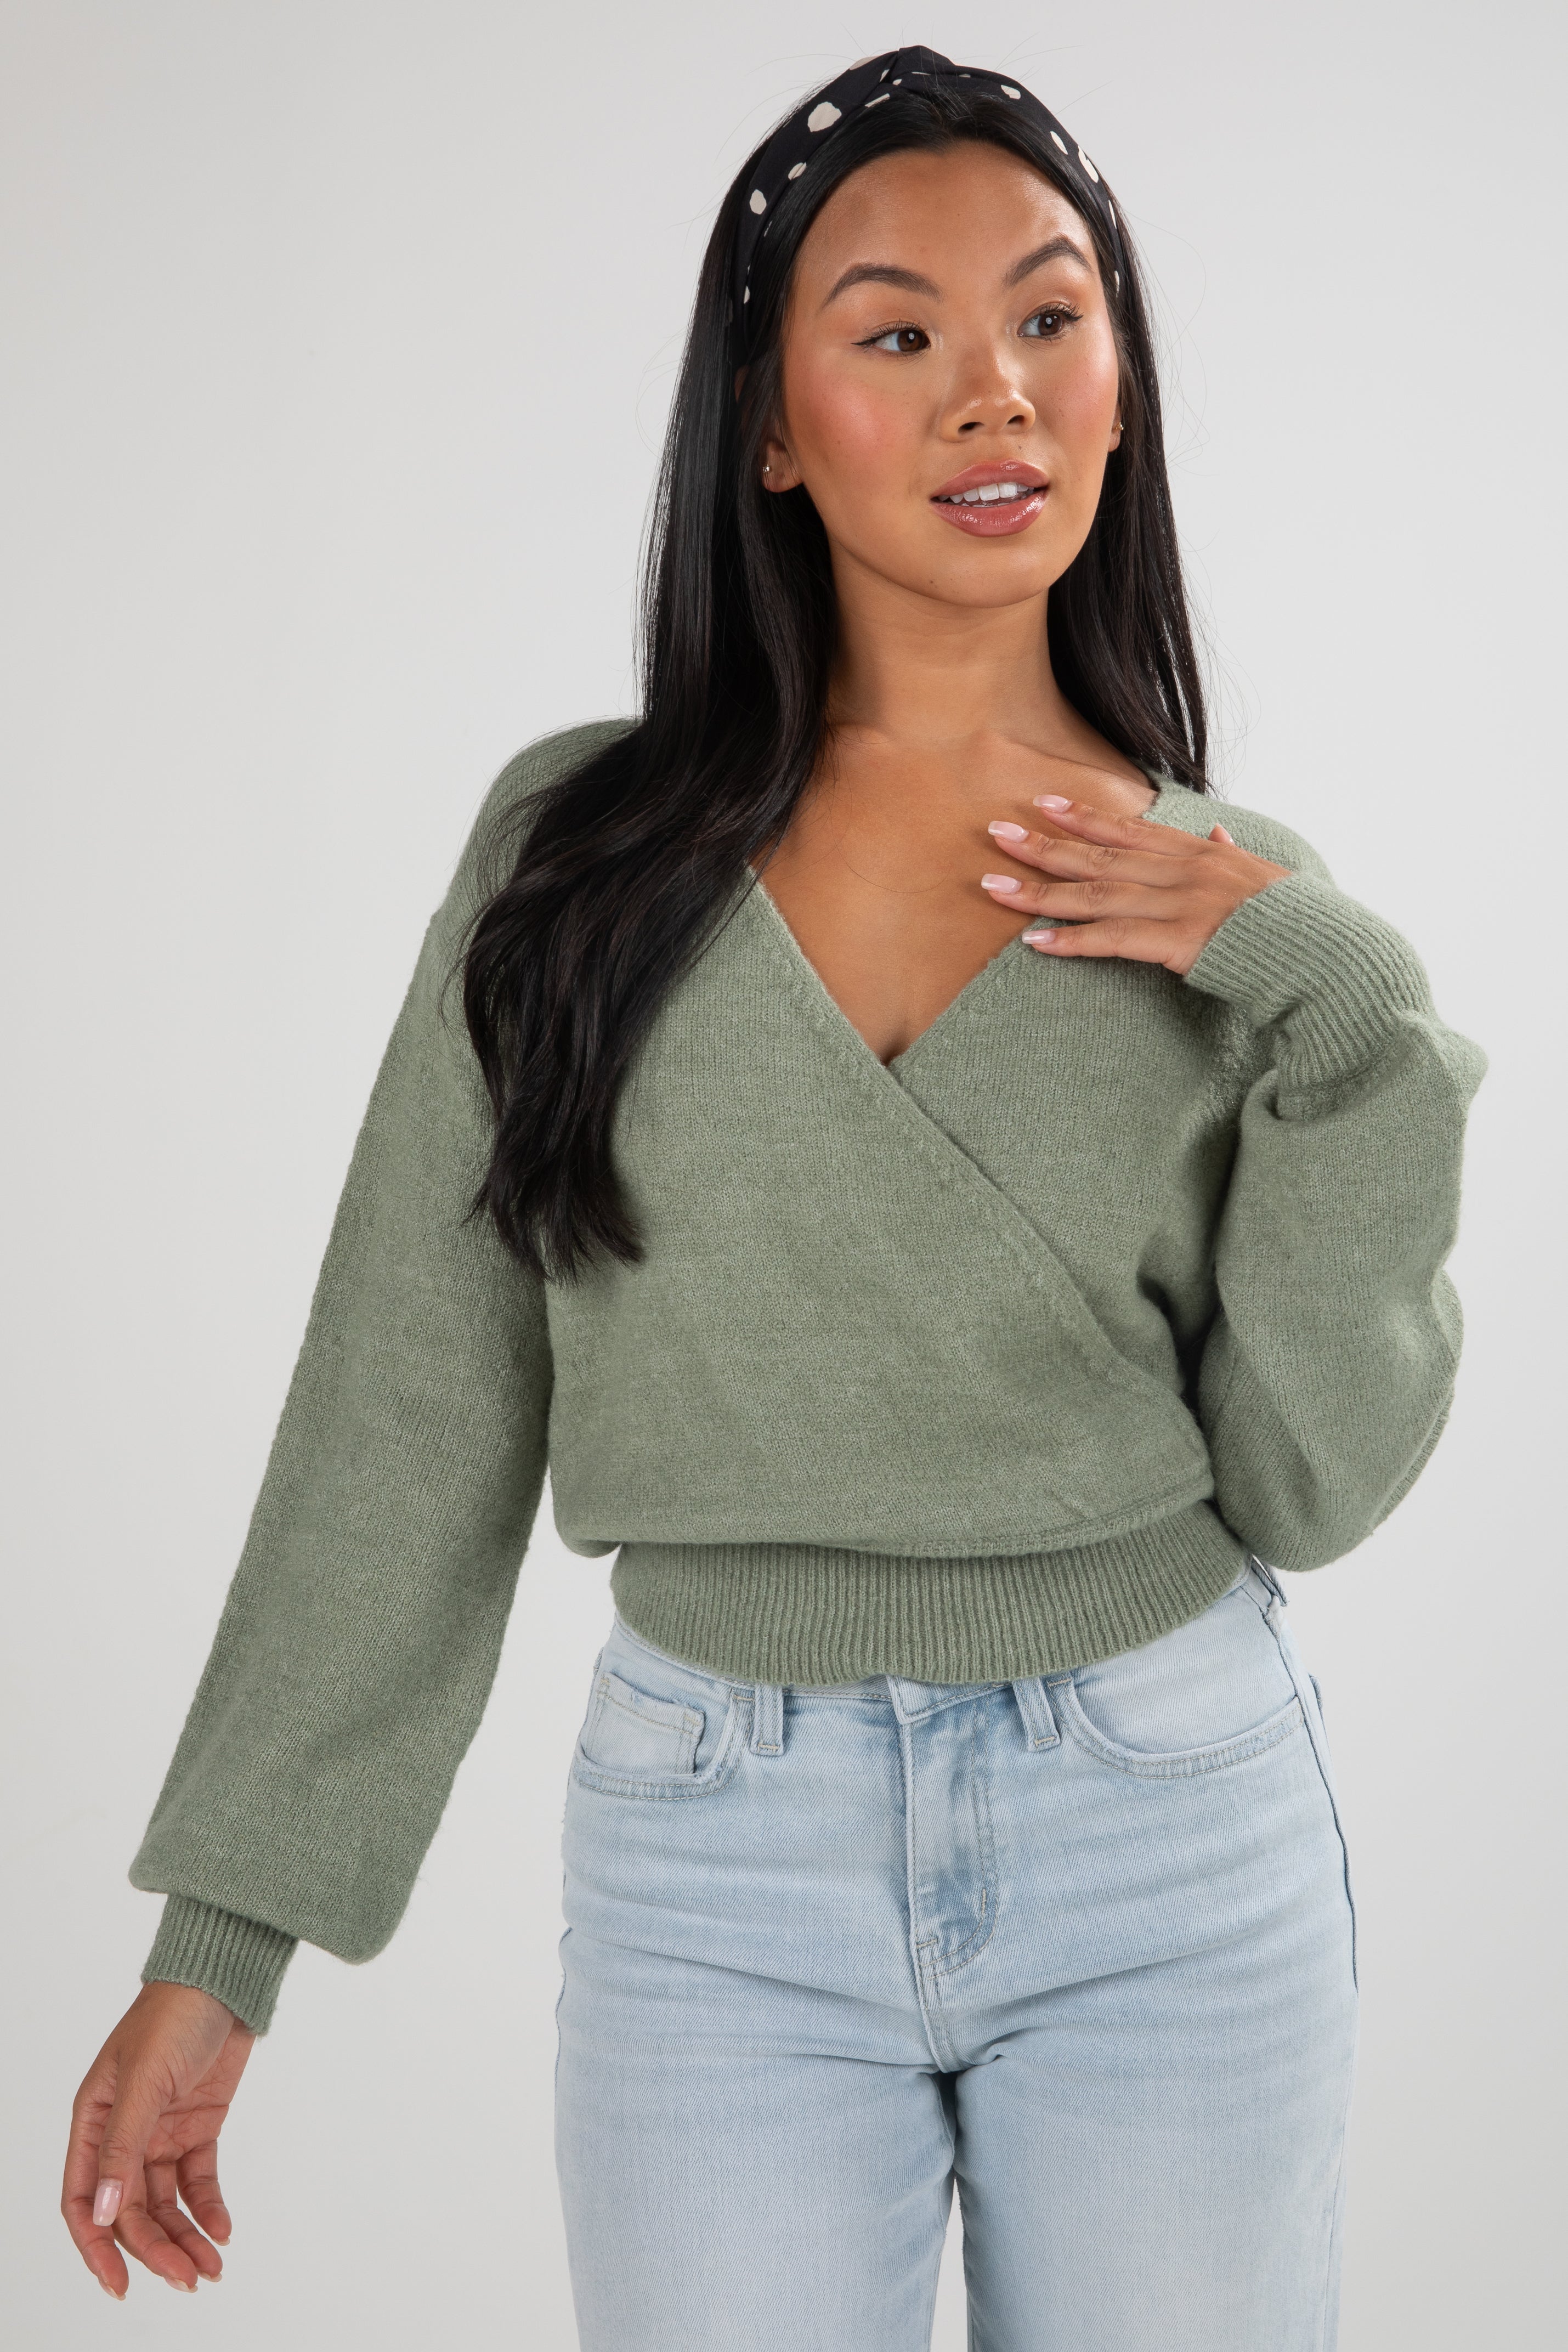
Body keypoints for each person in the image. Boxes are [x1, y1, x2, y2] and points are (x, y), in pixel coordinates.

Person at [60, 47, 1484, 2350]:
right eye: (896, 330)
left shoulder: (1238, 910)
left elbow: (1311, 1486)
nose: (988, 390)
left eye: (1049, 317)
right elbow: (406, 1412)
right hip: (718, 1840)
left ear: (1119, 392)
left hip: (1167, 1809)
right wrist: (224, 1944)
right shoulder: (576, 863)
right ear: (767, 425)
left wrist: (1332, 993)